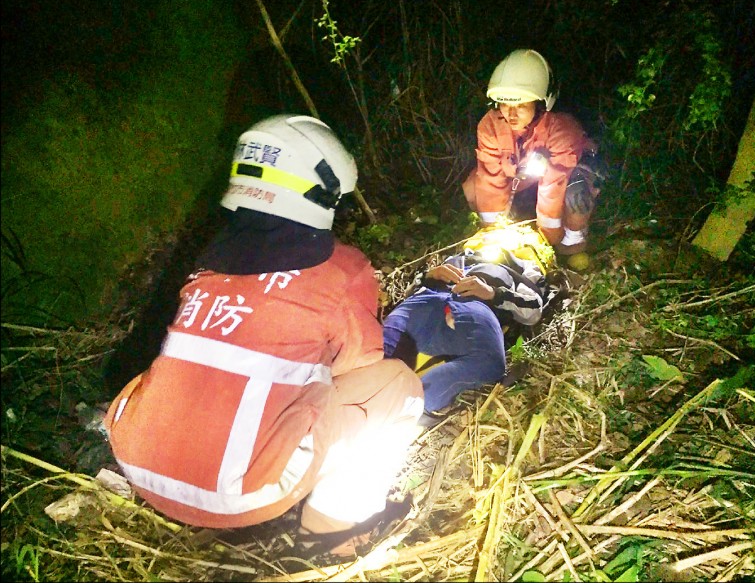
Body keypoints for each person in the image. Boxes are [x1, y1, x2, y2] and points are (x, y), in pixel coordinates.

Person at [102, 115, 424, 556]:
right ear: (320, 193)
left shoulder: (206, 267)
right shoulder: (342, 270)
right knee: (398, 388)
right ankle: (332, 535)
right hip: (237, 495)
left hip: (138, 464)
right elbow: (360, 370)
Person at [461, 49, 601, 270]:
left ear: (540, 102)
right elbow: (490, 179)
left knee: (576, 197)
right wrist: (493, 231)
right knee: (473, 187)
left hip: (566, 177)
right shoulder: (490, 126)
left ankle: (573, 244)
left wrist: (547, 240)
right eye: (504, 104)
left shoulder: (562, 128)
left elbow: (553, 187)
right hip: (524, 175)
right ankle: (517, 221)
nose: (511, 114)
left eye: (521, 105)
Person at [382, 245, 553, 423]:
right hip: (429, 298)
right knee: (381, 347)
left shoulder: (523, 267)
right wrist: (428, 276)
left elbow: (533, 311)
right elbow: (412, 291)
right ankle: (365, 393)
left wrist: (493, 294)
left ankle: (410, 411)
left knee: (488, 362)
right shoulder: (461, 256)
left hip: (476, 308)